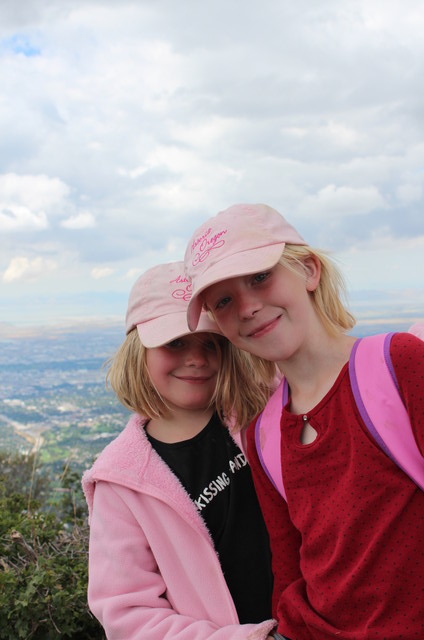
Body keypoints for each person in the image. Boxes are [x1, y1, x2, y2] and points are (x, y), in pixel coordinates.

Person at [183, 203, 424, 640]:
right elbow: (290, 566)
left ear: (309, 270)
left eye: (259, 277)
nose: (248, 307)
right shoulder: (261, 433)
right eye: (223, 300)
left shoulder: (400, 364)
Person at [82, 260, 279, 640]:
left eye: (211, 342)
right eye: (175, 343)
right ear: (139, 351)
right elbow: (129, 612)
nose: (197, 358)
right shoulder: (123, 481)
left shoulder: (261, 413)